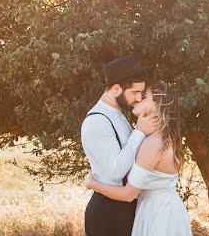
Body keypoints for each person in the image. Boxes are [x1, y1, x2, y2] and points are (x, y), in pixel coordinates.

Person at [85, 80, 192, 236]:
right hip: (167, 210)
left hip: (157, 214)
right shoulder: (164, 138)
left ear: (156, 105)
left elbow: (128, 194)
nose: (138, 99)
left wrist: (93, 184)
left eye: (144, 96)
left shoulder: (153, 143)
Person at [81, 55, 158, 236]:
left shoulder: (119, 115)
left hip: (125, 208)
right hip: (107, 215)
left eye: (142, 92)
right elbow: (116, 172)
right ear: (116, 89)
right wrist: (139, 132)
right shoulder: (96, 122)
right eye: (134, 92)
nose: (139, 98)